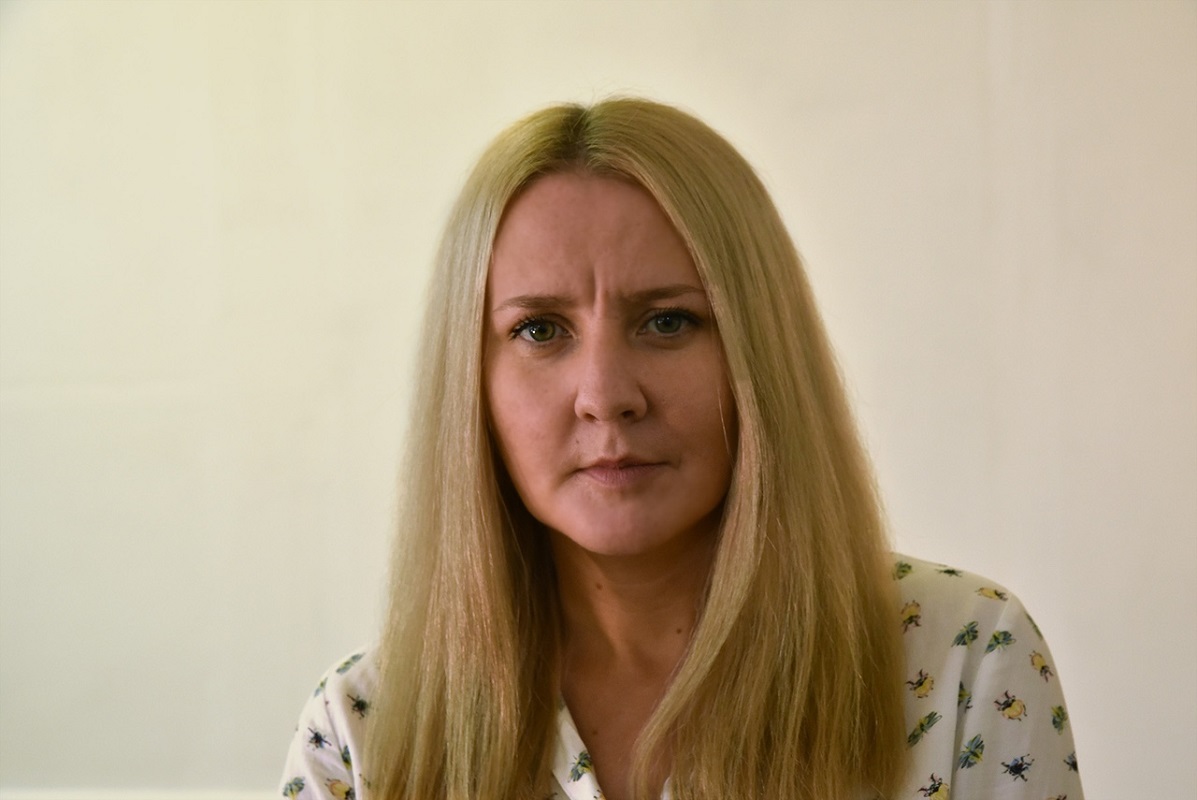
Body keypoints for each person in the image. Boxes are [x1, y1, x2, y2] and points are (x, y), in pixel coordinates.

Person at [279, 98, 1083, 800]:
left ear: (759, 354)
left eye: (667, 321)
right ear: (469, 383)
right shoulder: (360, 733)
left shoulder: (964, 664)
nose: (605, 395)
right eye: (540, 330)